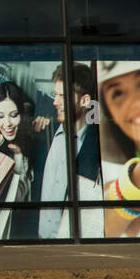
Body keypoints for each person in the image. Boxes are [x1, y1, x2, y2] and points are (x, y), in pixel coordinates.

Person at [38, 63, 101, 238]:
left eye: (62, 96)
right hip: (42, 244)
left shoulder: (95, 146)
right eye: (55, 95)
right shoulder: (49, 135)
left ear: (84, 100)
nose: (55, 102)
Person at [98, 59, 140, 237]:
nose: (136, 103)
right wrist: (137, 178)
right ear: (110, 113)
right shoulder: (109, 178)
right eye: (117, 93)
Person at [0, 81, 36, 239]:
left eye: (13, 115)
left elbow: (22, 199)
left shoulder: (25, 145)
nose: (7, 123)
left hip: (16, 229)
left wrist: (19, 155)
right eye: (0, 116)